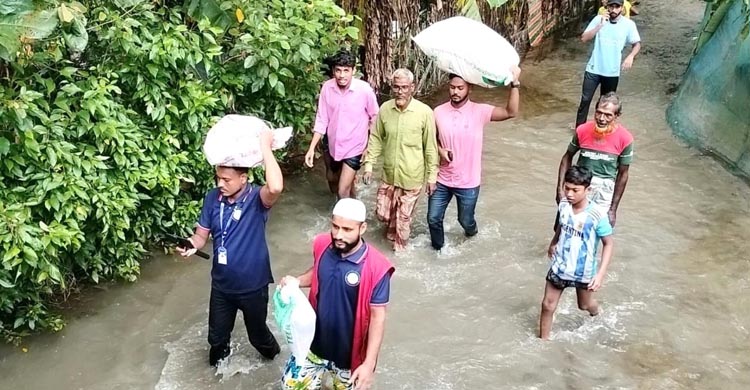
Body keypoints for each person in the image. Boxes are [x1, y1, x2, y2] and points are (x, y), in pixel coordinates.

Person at [177, 130, 283, 366]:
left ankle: (279, 363)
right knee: (216, 341)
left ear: (243, 178)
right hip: (222, 286)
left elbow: (275, 187)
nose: (220, 184)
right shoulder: (212, 198)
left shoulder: (257, 199)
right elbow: (201, 235)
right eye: (218, 178)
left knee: (258, 338)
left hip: (253, 286)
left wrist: (265, 146)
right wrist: (191, 245)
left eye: (226, 180)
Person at [280, 198, 394, 390]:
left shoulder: (377, 267)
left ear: (363, 228)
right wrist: (297, 282)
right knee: (290, 386)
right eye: (335, 226)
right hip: (312, 345)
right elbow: (318, 272)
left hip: (348, 358)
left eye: (347, 229)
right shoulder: (322, 244)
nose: (339, 235)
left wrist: (369, 364)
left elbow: (378, 318)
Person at [427, 67, 521, 251]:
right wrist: (440, 151)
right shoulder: (437, 112)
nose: (455, 92)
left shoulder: (480, 111)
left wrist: (515, 84)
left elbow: (511, 112)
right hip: (442, 178)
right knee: (433, 218)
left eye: (460, 88)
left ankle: (472, 235)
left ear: (470, 88)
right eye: (452, 87)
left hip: (468, 181)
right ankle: (438, 250)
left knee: (465, 221)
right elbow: (429, 140)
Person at [362, 68, 439, 251]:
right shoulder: (385, 109)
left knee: (403, 221)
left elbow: (430, 147)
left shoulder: (424, 112)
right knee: (382, 214)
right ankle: (390, 234)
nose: (400, 91)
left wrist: (432, 177)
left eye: (404, 87)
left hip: (412, 177)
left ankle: (400, 253)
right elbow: (376, 139)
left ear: (412, 87)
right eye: (396, 87)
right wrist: (369, 166)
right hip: (389, 174)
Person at [539, 166, 614, 340]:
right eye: (567, 188)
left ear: (588, 190)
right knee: (547, 305)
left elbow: (608, 244)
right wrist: (554, 242)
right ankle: (543, 342)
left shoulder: (597, 215)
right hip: (560, 265)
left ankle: (597, 313)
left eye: (575, 190)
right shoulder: (564, 204)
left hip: (583, 270)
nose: (570, 194)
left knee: (584, 305)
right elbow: (562, 225)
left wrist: (600, 275)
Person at [305, 49, 379, 200]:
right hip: (332, 144)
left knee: (342, 191)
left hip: (355, 147)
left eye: (346, 70)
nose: (342, 75)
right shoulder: (327, 87)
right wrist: (311, 148)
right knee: (332, 179)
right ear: (333, 71)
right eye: (338, 70)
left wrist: (369, 147)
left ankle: (346, 220)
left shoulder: (364, 90)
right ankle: (353, 197)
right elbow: (321, 118)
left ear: (354, 70)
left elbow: (375, 117)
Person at [557, 92, 633, 227]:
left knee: (592, 231)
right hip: (579, 183)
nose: (602, 119)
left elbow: (623, 174)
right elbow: (567, 157)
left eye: (608, 115)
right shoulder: (582, 130)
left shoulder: (625, 138)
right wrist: (560, 190)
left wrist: (613, 209)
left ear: (617, 116)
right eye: (599, 112)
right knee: (563, 225)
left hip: (604, 190)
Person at [575, 0, 641, 127]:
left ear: (622, 8)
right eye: (612, 6)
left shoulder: (629, 24)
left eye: (617, 7)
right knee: (585, 100)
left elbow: (637, 44)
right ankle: (579, 132)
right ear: (607, 7)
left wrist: (631, 56)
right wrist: (599, 26)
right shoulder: (598, 19)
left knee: (606, 105)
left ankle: (602, 130)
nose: (614, 10)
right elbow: (583, 38)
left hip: (612, 72)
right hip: (593, 69)